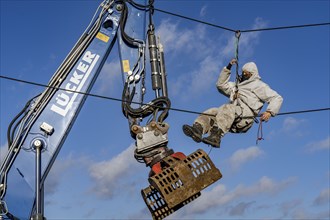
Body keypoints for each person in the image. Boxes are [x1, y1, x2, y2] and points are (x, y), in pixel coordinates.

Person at [182, 58, 283, 148]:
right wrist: (228, 67)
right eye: (243, 72)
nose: (243, 75)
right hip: (231, 117)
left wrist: (270, 112)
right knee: (213, 111)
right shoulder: (237, 86)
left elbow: (277, 98)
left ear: (252, 74)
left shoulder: (259, 85)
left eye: (246, 73)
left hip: (245, 117)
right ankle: (198, 129)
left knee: (228, 107)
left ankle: (216, 136)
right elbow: (220, 86)